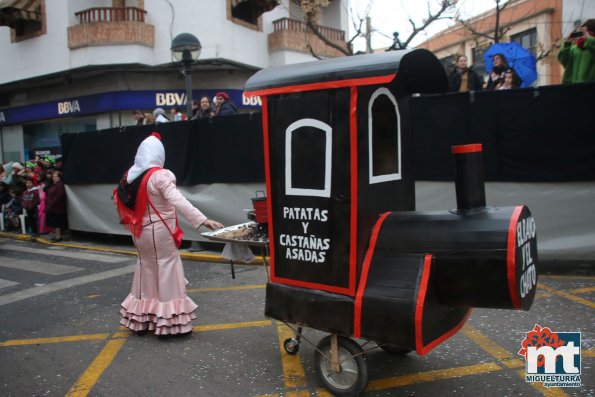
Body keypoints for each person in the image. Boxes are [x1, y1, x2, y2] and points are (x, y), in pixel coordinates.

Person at [114, 133, 224, 336]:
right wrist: (201, 219)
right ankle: (170, 322)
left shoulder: (130, 176)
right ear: (158, 155)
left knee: (145, 268)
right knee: (167, 267)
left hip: (140, 232)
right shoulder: (160, 175)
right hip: (160, 231)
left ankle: (142, 319)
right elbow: (178, 200)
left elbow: (120, 203)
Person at [557, 19, 595, 84]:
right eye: (581, 32)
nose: (582, 35)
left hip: (590, 90)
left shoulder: (591, 48)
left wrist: (588, 37)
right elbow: (563, 60)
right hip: (572, 89)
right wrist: (567, 43)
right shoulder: (574, 49)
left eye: (585, 32)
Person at [44, 171, 67, 242]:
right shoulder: (53, 184)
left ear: (60, 177)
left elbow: (59, 197)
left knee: (57, 223)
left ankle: (58, 236)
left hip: (57, 207)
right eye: (53, 177)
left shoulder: (60, 185)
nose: (54, 178)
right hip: (52, 206)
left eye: (56, 176)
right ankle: (56, 236)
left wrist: (51, 204)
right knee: (54, 222)